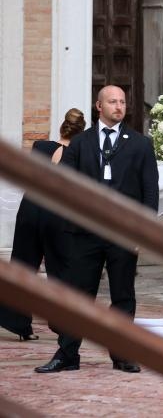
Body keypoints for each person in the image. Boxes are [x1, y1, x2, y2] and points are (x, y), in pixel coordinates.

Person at [35, 86, 159, 374]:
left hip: (123, 233)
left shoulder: (140, 144)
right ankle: (67, 354)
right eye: (112, 102)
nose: (119, 106)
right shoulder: (81, 143)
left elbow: (149, 192)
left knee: (123, 296)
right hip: (84, 233)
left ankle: (122, 354)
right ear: (98, 106)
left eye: (122, 102)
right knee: (78, 294)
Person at [0, 108, 85, 341]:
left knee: (23, 264)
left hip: (29, 208)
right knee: (61, 268)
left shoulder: (39, 147)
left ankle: (16, 323)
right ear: (81, 132)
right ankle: (61, 323)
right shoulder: (79, 155)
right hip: (56, 213)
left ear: (62, 127)